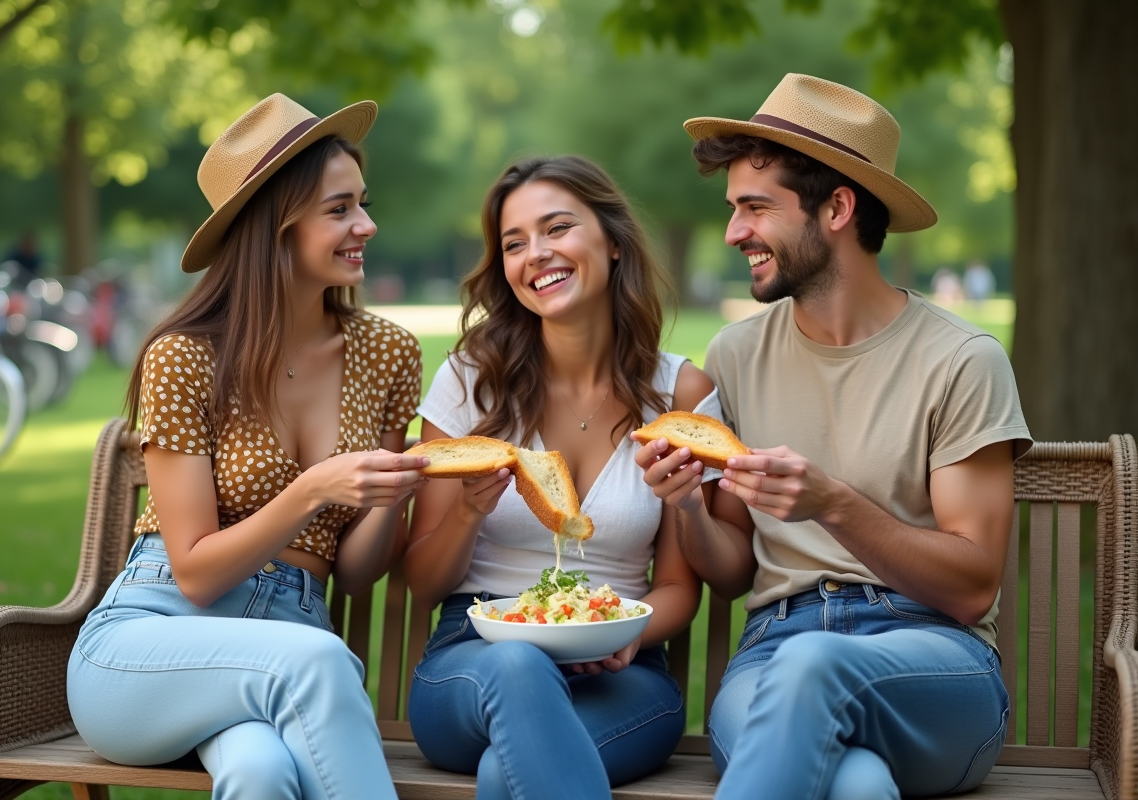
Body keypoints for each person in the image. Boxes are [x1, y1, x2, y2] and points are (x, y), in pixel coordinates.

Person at [636, 73, 1032, 799]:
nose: (733, 234)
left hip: (932, 661)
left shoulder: (961, 361)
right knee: (853, 785)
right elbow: (728, 570)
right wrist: (687, 506)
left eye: (755, 208)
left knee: (813, 667)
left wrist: (834, 504)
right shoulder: (735, 355)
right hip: (774, 646)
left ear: (839, 208)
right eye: (732, 210)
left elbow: (973, 589)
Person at [65, 93, 428, 800]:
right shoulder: (185, 357)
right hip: (152, 640)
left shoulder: (387, 352)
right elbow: (197, 574)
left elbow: (354, 575)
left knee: (260, 774)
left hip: (290, 631)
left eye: (363, 203)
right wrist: (315, 488)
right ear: (276, 225)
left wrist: (389, 496)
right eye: (340, 209)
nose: (367, 224)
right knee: (320, 661)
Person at [404, 155, 727, 799]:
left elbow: (676, 588)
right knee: (520, 664)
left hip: (622, 668)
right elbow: (423, 580)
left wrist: (624, 637)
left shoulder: (678, 394)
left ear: (612, 242)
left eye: (557, 228)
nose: (536, 254)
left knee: (508, 773)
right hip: (473, 655)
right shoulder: (472, 382)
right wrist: (468, 512)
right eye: (514, 243)